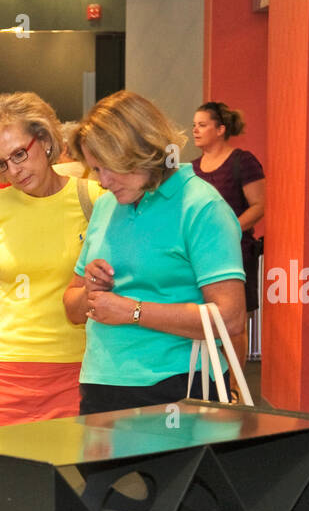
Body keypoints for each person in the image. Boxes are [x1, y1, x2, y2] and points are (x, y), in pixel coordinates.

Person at [64, 90, 246, 415]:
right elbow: (73, 308)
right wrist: (90, 289)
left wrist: (133, 311)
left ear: (142, 151)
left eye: (109, 168)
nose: (102, 181)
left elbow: (229, 318)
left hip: (178, 385)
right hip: (101, 383)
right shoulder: (106, 206)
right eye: (95, 169)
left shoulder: (201, 206)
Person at [0, 92, 104, 425]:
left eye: (19, 154)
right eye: (2, 164)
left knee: (71, 472)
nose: (15, 170)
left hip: (80, 367)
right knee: (5, 472)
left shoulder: (93, 199)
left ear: (46, 140)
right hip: (7, 370)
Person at [192, 101, 266, 370]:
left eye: (202, 125)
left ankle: (235, 386)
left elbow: (259, 205)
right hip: (200, 257)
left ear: (220, 129)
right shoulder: (191, 169)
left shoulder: (242, 161)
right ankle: (210, 383)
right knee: (202, 321)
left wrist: (229, 230)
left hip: (236, 253)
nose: (195, 130)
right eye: (194, 125)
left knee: (234, 325)